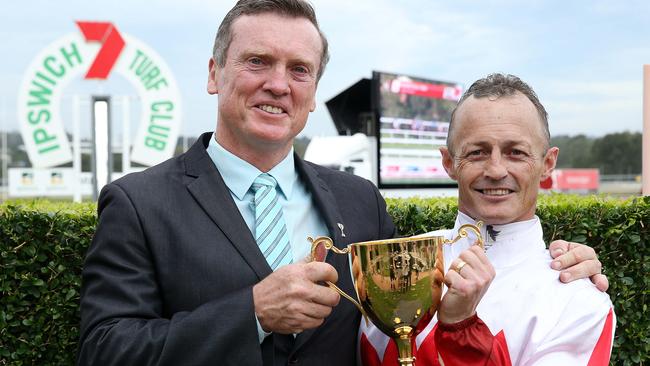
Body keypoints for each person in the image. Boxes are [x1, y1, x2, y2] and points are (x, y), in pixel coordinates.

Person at [77, 1, 607, 365]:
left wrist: (552, 260)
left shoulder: (360, 201)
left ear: (313, 91)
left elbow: (415, 308)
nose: (278, 84)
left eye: (299, 69)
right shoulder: (138, 202)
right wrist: (252, 315)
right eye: (257, 62)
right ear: (215, 73)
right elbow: (103, 350)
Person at [359, 74, 615, 366]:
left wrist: (461, 329)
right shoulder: (390, 267)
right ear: (448, 163)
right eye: (477, 152)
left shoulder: (580, 299)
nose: (495, 170)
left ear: (548, 163)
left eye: (515, 153)